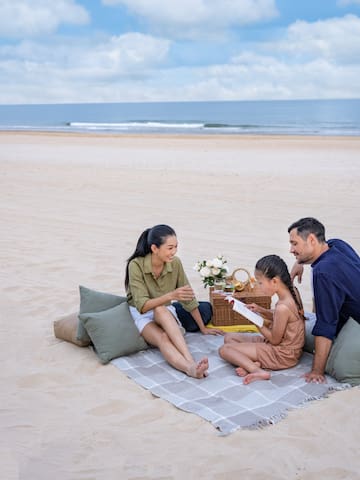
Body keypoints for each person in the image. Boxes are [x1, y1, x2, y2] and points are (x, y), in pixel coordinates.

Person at [125, 224, 223, 379]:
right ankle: (189, 368)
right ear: (154, 248)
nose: (174, 252)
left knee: (161, 309)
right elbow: (142, 306)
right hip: (141, 314)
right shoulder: (135, 265)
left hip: (163, 311)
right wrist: (171, 296)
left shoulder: (175, 263)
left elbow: (188, 297)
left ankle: (190, 360)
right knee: (162, 337)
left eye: (176, 247)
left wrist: (203, 328)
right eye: (170, 248)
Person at [288, 217, 360, 384]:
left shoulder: (323, 272)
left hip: (355, 325)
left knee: (341, 369)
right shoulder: (337, 245)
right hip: (349, 319)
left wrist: (316, 371)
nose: (291, 249)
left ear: (312, 240)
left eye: (294, 244)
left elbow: (326, 324)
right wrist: (299, 262)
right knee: (299, 332)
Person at [218, 255, 305, 384]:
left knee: (225, 349)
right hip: (280, 347)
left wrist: (256, 323)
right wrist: (260, 310)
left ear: (274, 281)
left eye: (260, 282)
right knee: (229, 338)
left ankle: (256, 370)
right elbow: (284, 318)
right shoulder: (293, 292)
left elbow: (274, 340)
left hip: (282, 354)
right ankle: (255, 363)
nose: (259, 287)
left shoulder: (282, 307)